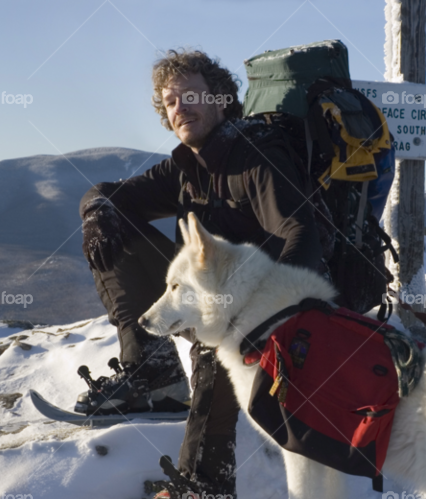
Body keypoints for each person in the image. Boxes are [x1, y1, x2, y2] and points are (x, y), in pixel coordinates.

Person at [77, 48, 323, 496]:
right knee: (112, 229)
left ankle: (203, 486)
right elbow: (111, 194)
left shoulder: (255, 157)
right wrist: (96, 209)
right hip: (203, 303)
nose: (180, 108)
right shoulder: (186, 166)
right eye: (171, 102)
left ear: (221, 100)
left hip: (260, 316)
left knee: (215, 349)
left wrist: (273, 318)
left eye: (191, 95)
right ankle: (151, 369)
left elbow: (299, 229)